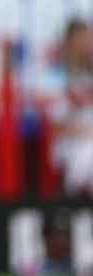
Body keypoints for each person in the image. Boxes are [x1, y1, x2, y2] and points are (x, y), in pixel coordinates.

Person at [40, 19, 93, 197]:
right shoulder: (55, 76)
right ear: (70, 42)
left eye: (89, 39)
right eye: (82, 39)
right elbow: (57, 125)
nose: (87, 45)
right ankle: (72, 201)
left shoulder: (89, 73)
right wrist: (86, 131)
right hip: (70, 143)